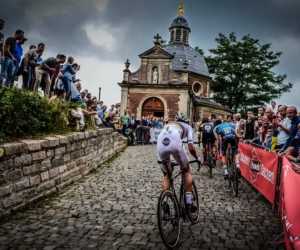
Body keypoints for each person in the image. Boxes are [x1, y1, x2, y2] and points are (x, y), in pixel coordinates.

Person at [157, 113, 201, 212]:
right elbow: (191, 147)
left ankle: (164, 202)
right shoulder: (188, 126)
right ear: (186, 121)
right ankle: (189, 203)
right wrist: (197, 158)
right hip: (175, 143)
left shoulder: (168, 125)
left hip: (160, 144)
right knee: (186, 171)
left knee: (166, 175)